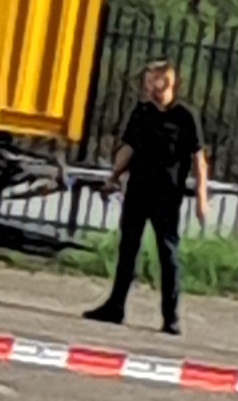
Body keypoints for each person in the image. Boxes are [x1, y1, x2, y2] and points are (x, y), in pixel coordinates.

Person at [86, 59, 209, 333]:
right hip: (138, 189)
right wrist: (113, 177)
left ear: (169, 81)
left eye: (155, 80)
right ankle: (115, 306)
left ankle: (171, 317)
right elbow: (128, 148)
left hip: (167, 195)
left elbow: (199, 159)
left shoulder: (185, 117)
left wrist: (202, 197)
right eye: (148, 80)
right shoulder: (141, 113)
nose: (149, 86)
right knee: (128, 248)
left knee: (167, 252)